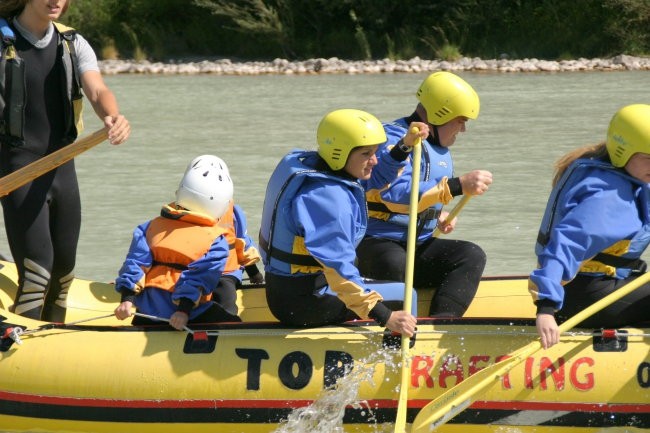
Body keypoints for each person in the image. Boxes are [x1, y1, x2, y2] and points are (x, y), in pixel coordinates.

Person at [0, 0, 131, 322]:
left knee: (63, 275)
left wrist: (112, 117)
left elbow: (97, 90)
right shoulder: (3, 42)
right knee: (36, 273)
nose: (56, 0)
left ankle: (52, 350)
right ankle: (20, 349)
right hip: (18, 168)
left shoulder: (73, 42)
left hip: (62, 167)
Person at [259, 108, 427, 336]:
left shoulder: (315, 165)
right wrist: (385, 315)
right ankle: (398, 359)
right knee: (405, 294)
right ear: (341, 153)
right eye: (367, 154)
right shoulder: (327, 200)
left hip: (288, 290)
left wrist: (404, 145)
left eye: (375, 152)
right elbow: (339, 272)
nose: (374, 160)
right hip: (304, 302)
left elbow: (375, 178)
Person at [356, 71, 493, 318]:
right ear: (441, 113)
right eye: (461, 120)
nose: (463, 129)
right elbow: (393, 194)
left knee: (471, 255)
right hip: (374, 245)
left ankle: (442, 325)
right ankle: (392, 330)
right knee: (394, 262)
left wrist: (437, 213)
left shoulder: (439, 147)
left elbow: (423, 197)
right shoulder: (394, 139)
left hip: (416, 244)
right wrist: (457, 186)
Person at [529, 104, 650, 349]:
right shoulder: (607, 197)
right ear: (624, 153)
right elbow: (566, 245)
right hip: (586, 297)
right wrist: (546, 307)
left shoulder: (632, 176)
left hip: (605, 286)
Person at [113, 155, 241, 330]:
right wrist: (183, 310)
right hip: (186, 314)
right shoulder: (216, 242)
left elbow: (135, 264)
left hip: (146, 313)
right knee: (234, 324)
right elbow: (199, 278)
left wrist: (127, 300)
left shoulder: (149, 227)